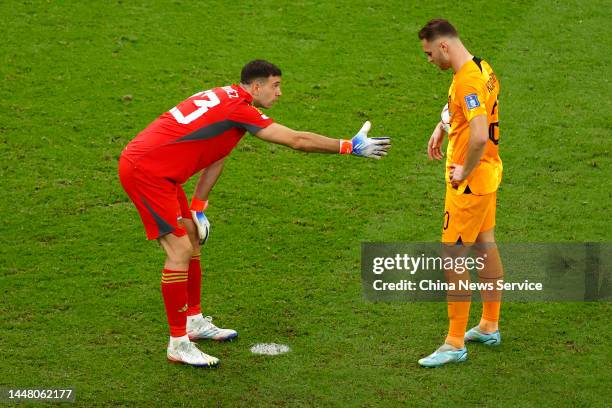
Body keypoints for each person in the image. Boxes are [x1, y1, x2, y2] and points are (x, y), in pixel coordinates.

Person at [118, 60, 391, 367]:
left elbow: (218, 154)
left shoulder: (228, 100)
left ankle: (193, 321)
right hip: (147, 172)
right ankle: (178, 343)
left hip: (161, 171)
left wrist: (198, 207)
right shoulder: (240, 110)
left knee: (192, 238)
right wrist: (348, 147)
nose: (280, 93)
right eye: (275, 86)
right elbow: (296, 140)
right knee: (179, 250)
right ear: (257, 86)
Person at [416, 20, 504, 367]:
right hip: (489, 176)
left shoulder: (466, 78)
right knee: (485, 245)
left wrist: (463, 170)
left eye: (428, 54)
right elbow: (470, 111)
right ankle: (489, 325)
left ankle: (454, 343)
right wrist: (444, 124)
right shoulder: (482, 67)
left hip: (469, 183)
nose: (429, 61)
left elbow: (479, 135)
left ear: (444, 47)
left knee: (452, 258)